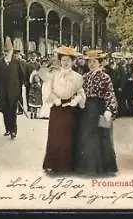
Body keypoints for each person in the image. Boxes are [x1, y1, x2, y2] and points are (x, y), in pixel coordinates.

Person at [74, 49, 118, 176]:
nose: (92, 64)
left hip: (101, 108)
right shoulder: (85, 77)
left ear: (100, 63)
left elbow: (110, 94)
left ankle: (104, 167)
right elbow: (79, 92)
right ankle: (87, 167)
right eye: (90, 62)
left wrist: (109, 109)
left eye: (94, 62)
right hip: (87, 110)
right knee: (87, 137)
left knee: (103, 136)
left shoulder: (105, 77)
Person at [42, 46, 86, 174]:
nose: (65, 62)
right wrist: (55, 99)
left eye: (68, 60)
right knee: (55, 136)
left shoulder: (78, 77)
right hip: (57, 108)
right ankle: (53, 163)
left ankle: (67, 164)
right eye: (63, 60)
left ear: (73, 61)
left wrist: (75, 101)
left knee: (68, 136)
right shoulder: (54, 75)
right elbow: (47, 90)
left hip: (70, 110)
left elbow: (81, 93)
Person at [0, 38, 25, 139]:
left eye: (9, 51)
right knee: (5, 111)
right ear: (3, 52)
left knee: (12, 112)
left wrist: (18, 90)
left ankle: (13, 131)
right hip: (2, 92)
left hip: (13, 92)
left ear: (12, 51)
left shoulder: (17, 62)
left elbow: (21, 76)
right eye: (5, 51)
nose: (7, 53)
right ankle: (8, 129)